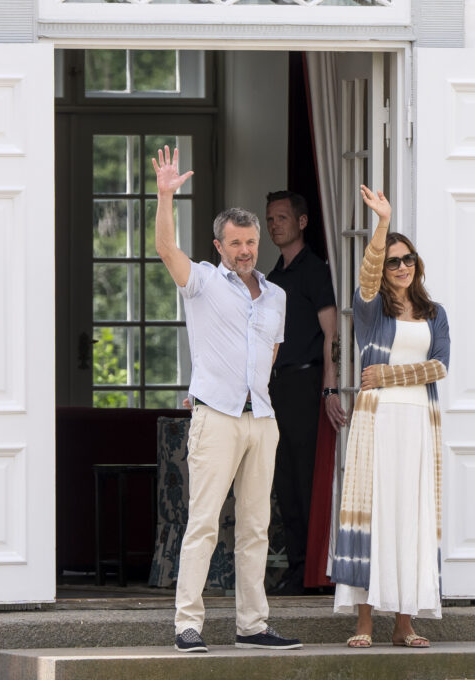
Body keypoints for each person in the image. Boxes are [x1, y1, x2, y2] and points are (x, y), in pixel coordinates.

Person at [152, 145, 302, 653]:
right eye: (235, 243)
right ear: (218, 245)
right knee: (204, 523)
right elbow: (167, 250)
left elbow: (271, 355)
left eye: (251, 242)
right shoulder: (203, 283)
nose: (244, 250)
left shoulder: (276, 296)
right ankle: (187, 625)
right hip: (215, 417)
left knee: (256, 527)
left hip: (261, 419)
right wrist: (165, 196)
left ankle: (253, 625)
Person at [331, 185, 450, 648]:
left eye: (408, 260)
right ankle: (364, 621)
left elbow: (439, 366)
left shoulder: (435, 313)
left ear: (417, 265)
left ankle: (404, 623)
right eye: (394, 261)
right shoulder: (370, 310)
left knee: (411, 515)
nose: (401, 267)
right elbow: (366, 276)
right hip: (377, 423)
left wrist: (388, 373)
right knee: (375, 513)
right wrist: (382, 225)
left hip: (419, 423)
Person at [265, 190, 346, 595]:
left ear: (301, 222)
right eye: (270, 219)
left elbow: (332, 334)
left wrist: (330, 387)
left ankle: (316, 571)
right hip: (278, 385)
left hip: (307, 382)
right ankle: (298, 569)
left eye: (281, 217)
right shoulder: (273, 276)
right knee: (283, 479)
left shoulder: (314, 270)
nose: (274, 225)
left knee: (305, 478)